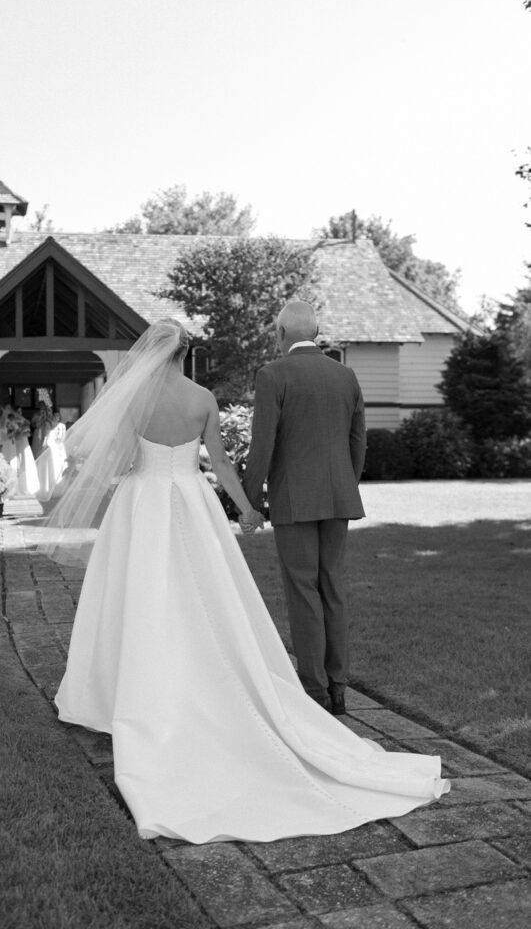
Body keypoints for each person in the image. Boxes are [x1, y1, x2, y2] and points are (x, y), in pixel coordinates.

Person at [40, 318, 448, 843]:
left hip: (142, 504)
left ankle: (128, 689)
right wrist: (248, 509)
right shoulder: (203, 398)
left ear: (147, 354)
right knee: (206, 598)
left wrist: (106, 462)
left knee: (136, 597)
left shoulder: (136, 400)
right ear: (186, 354)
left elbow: (118, 461)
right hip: (192, 501)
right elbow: (223, 464)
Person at [243, 300, 365, 716]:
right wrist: (347, 485)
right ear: (316, 331)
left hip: (293, 499)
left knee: (303, 590)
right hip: (339, 497)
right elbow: (357, 442)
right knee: (332, 585)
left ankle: (313, 690)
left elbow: (263, 446)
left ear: (280, 334)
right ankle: (339, 688)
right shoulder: (345, 375)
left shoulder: (272, 375)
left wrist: (250, 500)